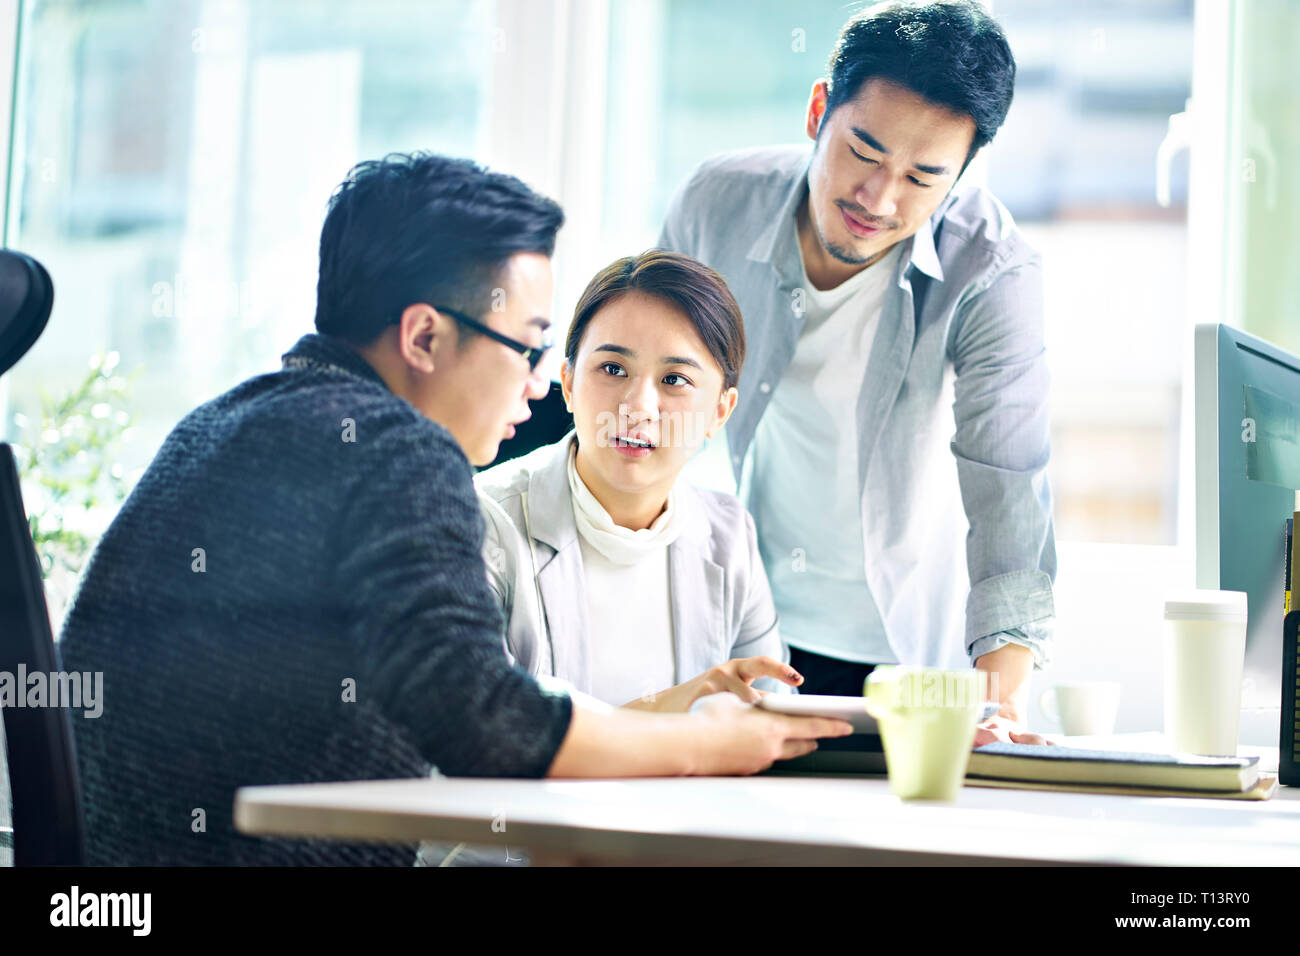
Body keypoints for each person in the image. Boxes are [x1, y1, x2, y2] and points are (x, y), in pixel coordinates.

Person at [57, 152, 852, 866]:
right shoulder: (396, 451)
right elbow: (482, 720)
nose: (540, 384)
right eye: (528, 346)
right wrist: (697, 740)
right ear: (425, 338)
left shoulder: (226, 420)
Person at [656, 0, 1055, 747]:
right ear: (818, 112)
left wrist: (1003, 707)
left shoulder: (993, 272)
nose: (879, 199)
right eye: (864, 153)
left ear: (962, 178)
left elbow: (1009, 495)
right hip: (751, 636)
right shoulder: (719, 204)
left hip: (915, 662)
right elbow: (650, 394)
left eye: (922, 177)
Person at [475, 250, 800, 711]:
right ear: (567, 383)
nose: (637, 406)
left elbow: (770, 714)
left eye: (675, 379)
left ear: (720, 411)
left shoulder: (730, 535)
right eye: (612, 369)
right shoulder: (479, 522)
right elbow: (484, 727)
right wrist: (667, 710)